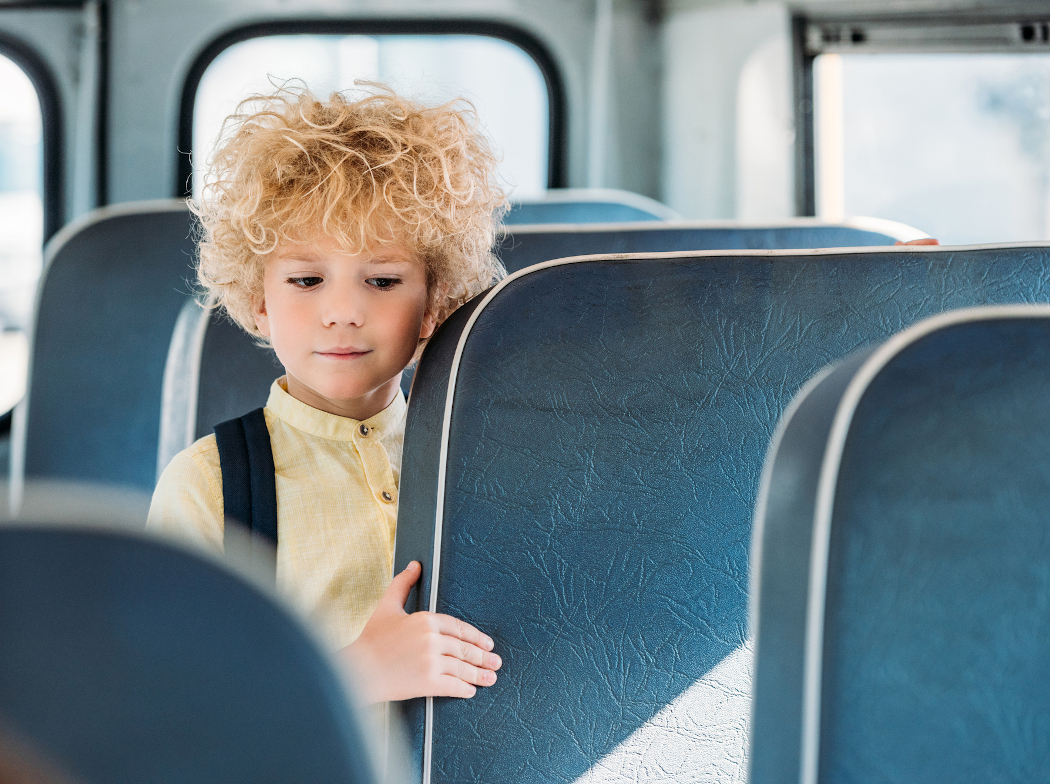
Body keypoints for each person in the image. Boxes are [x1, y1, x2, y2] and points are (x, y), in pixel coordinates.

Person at [147, 84, 505, 704]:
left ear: (433, 305)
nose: (342, 311)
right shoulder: (207, 487)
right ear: (260, 302)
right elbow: (166, 711)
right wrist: (354, 674)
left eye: (384, 279)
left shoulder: (482, 460)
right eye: (307, 279)